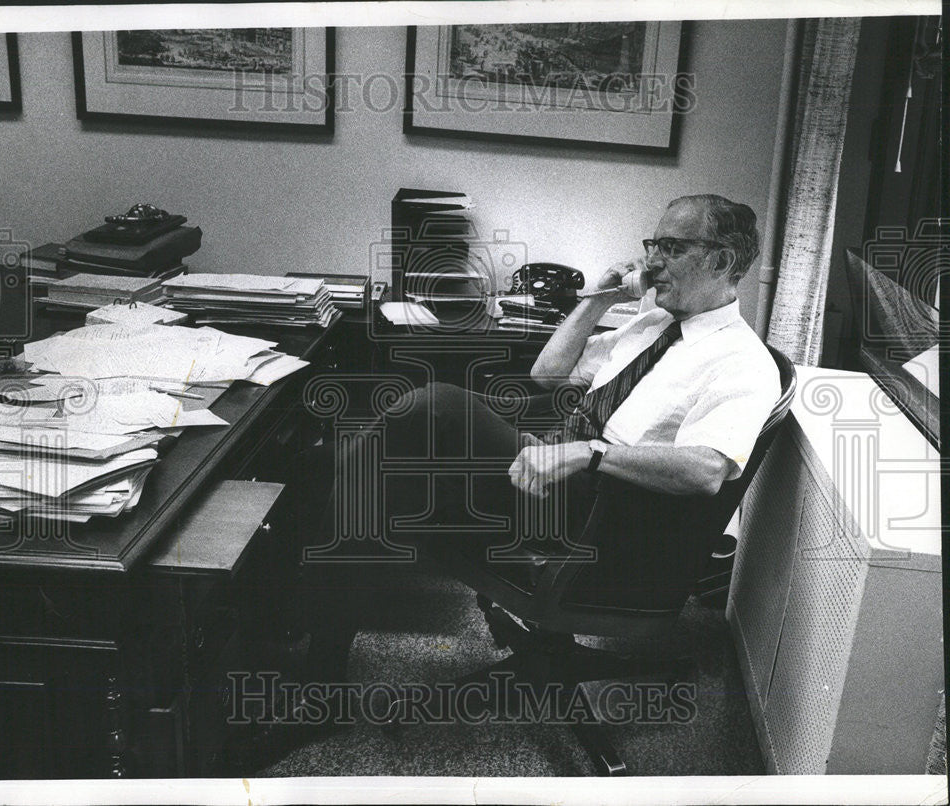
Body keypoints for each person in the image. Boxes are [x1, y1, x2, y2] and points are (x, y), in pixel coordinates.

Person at [238, 193, 780, 767]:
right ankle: (306, 641)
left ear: (723, 262)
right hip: (545, 475)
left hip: (595, 518)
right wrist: (597, 301)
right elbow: (548, 373)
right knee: (346, 465)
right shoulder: (653, 324)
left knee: (435, 408)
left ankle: (307, 652)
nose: (653, 261)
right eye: (654, 245)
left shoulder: (742, 361)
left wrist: (590, 454)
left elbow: (709, 468)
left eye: (672, 247)